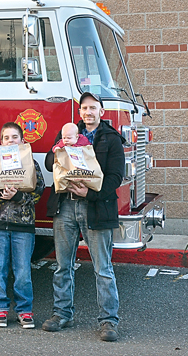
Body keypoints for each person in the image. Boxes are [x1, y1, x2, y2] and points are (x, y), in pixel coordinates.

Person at [42, 92, 125, 342]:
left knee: (103, 268)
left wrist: (90, 193)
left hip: (95, 207)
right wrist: (62, 148)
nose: (88, 112)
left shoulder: (111, 139)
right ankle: (61, 313)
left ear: (101, 111)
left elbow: (115, 178)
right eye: (84, 108)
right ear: (79, 112)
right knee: (62, 265)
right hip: (65, 206)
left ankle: (109, 321)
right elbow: (48, 162)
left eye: (93, 108)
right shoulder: (68, 133)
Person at [0, 123, 45, 329]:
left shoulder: (31, 163)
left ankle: (24, 310)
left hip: (23, 226)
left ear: (22, 140)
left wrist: (18, 196)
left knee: (23, 271)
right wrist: (1, 196)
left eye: (14, 137)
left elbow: (39, 190)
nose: (10, 141)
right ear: (1, 142)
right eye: (6, 137)